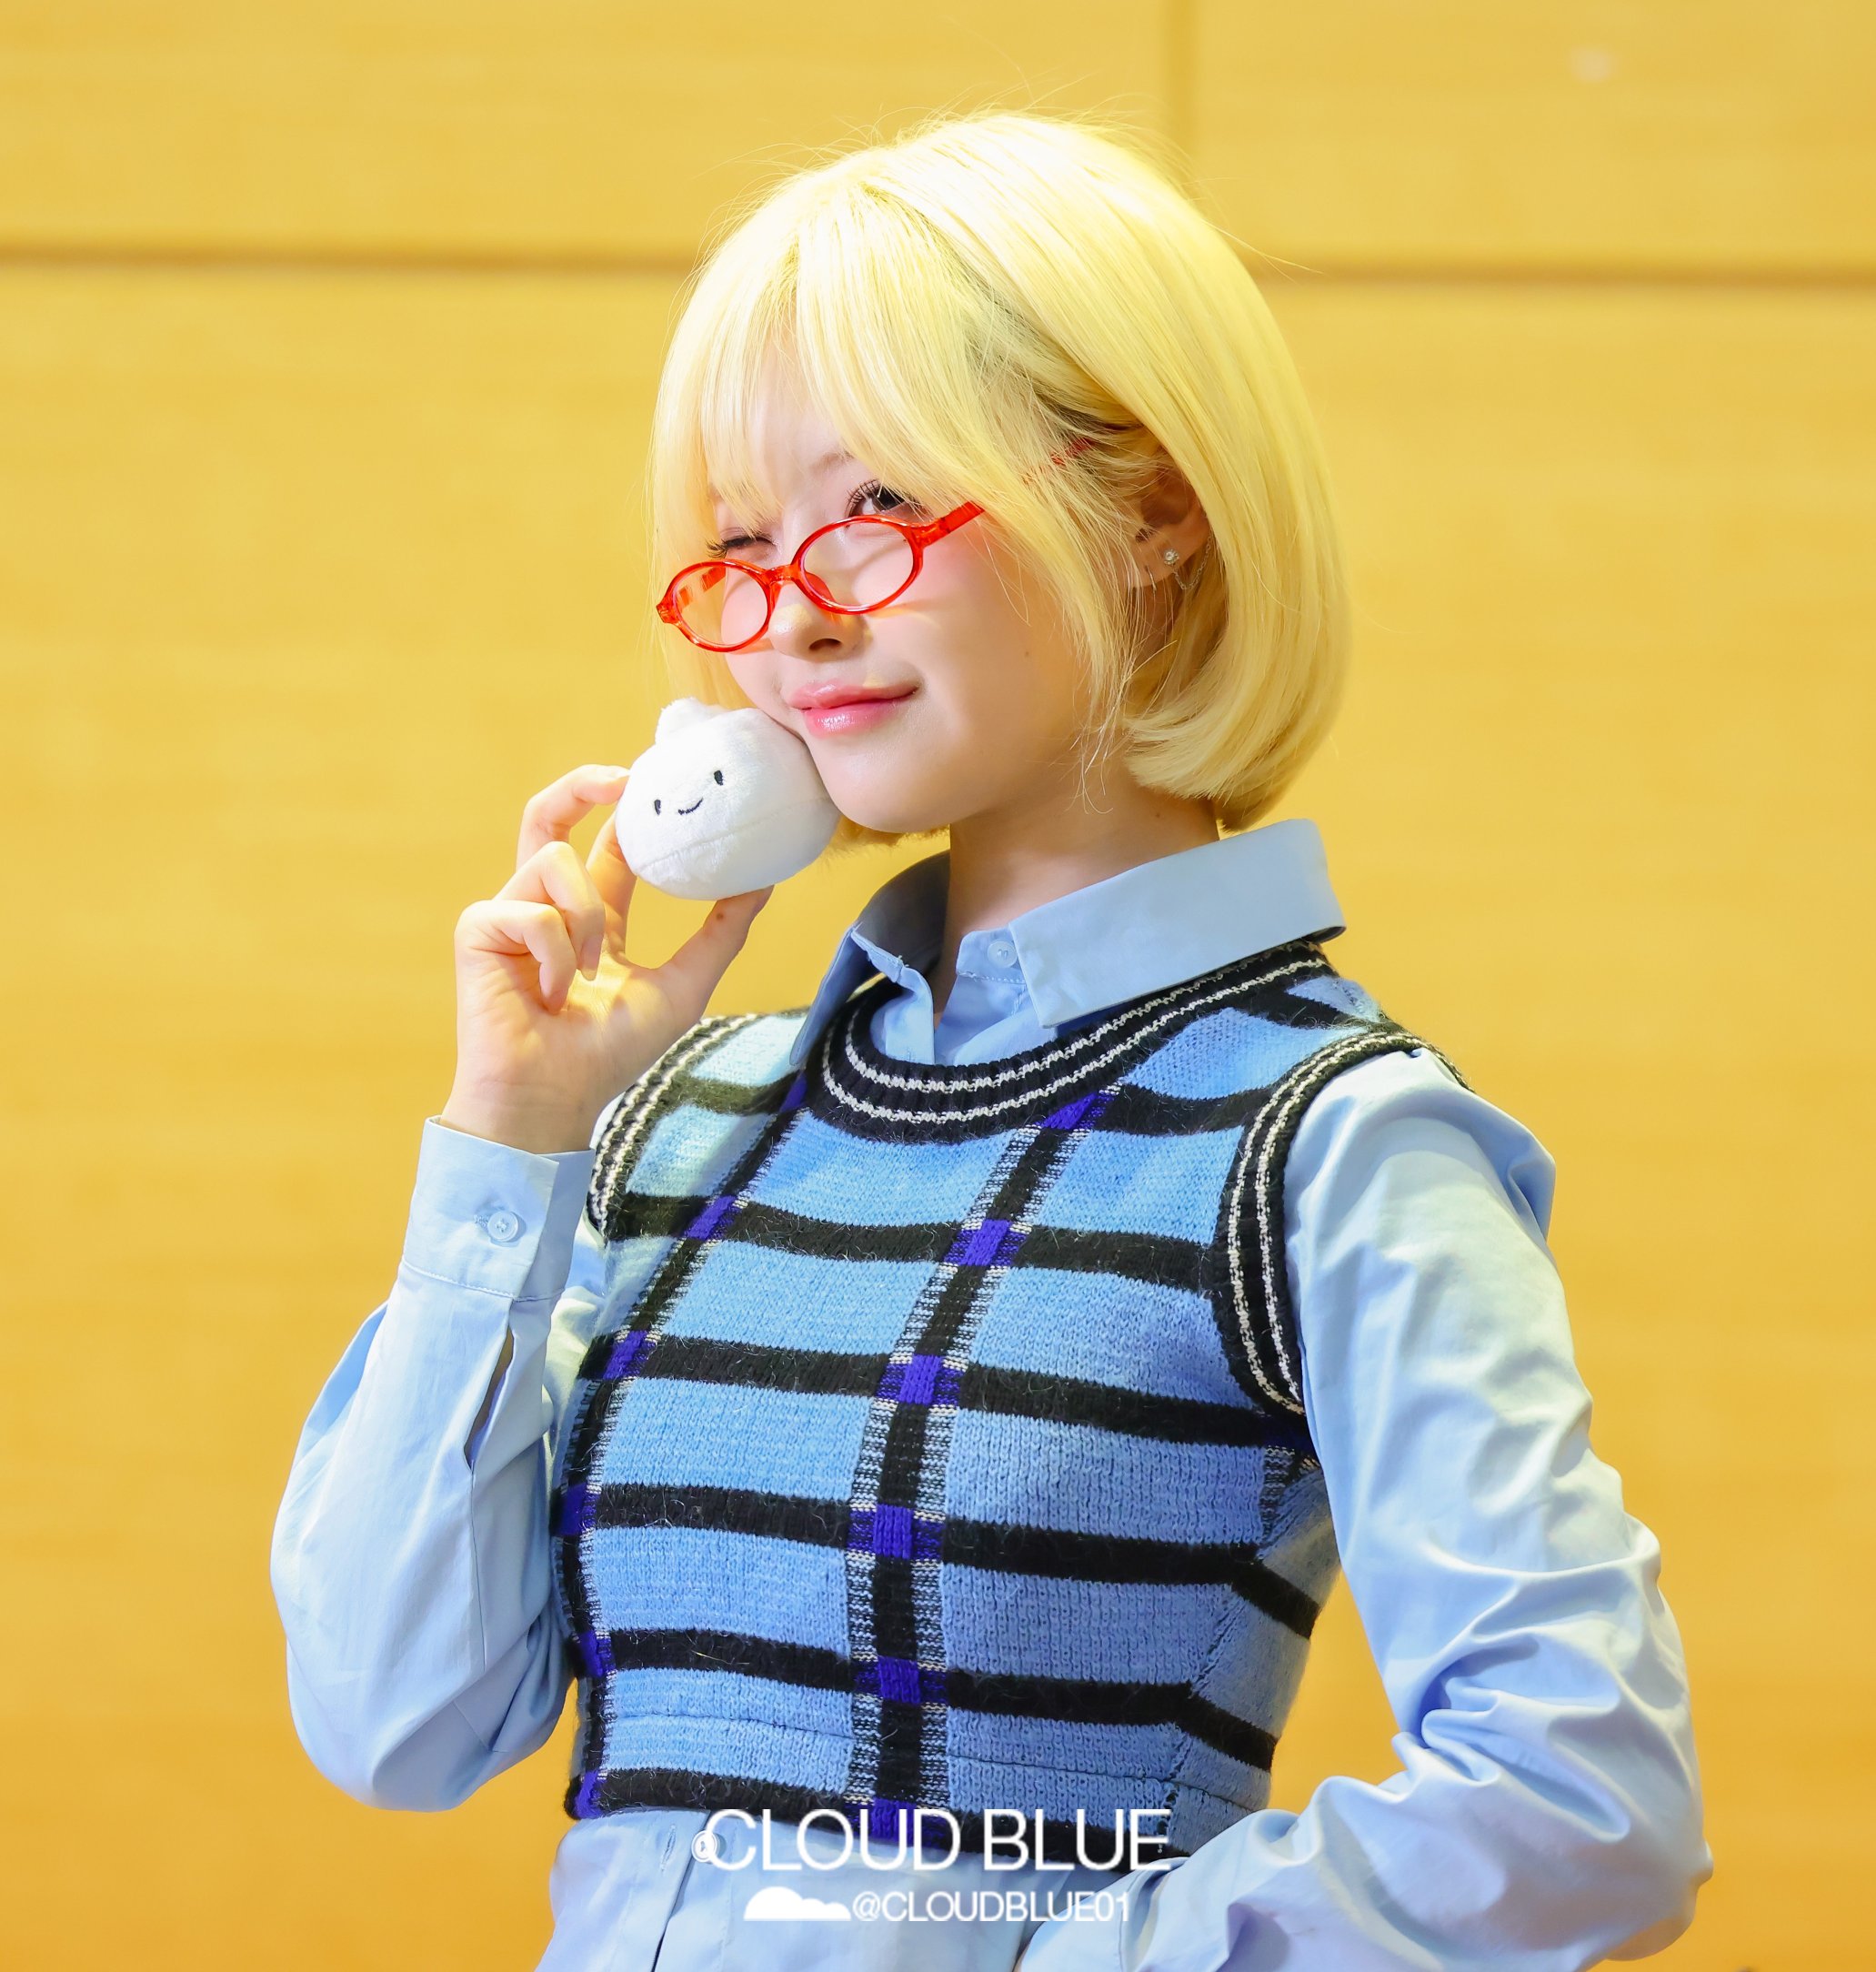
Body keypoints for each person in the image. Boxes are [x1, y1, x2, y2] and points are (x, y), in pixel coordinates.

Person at [269, 108, 1712, 1969]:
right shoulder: (678, 1120)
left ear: (1150, 515)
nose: (793, 620)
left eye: (876, 510)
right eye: (741, 542)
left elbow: (1581, 1804)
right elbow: (395, 1718)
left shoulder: (1330, 1143)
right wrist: (511, 1140)